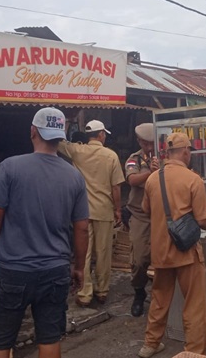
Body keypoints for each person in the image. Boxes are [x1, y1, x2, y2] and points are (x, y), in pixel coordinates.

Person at [0, 108, 89, 358]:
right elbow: (82, 228)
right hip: (55, 271)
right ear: (61, 136)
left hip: (14, 271)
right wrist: (79, 267)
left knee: (1, 341)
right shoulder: (74, 177)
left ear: (33, 131)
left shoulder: (10, 167)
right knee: (49, 338)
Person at [139, 132, 206, 358]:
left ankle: (150, 343)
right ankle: (194, 351)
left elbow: (146, 209)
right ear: (186, 151)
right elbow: (202, 220)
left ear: (168, 152)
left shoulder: (152, 179)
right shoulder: (193, 179)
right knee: (194, 304)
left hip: (161, 251)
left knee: (159, 298)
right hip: (186, 251)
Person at [59, 120, 126, 307]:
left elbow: (59, 142)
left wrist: (67, 122)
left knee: (84, 253)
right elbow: (116, 188)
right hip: (104, 210)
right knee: (103, 252)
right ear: (101, 135)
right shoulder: (111, 156)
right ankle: (102, 290)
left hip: (82, 211)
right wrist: (118, 209)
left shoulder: (77, 151)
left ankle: (84, 293)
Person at [124, 123, 160, 317]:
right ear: (139, 142)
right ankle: (139, 293)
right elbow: (132, 180)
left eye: (152, 143)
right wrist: (150, 173)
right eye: (146, 144)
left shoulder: (164, 158)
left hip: (161, 215)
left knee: (163, 257)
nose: (149, 147)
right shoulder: (134, 159)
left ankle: (160, 295)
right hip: (140, 215)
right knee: (139, 260)